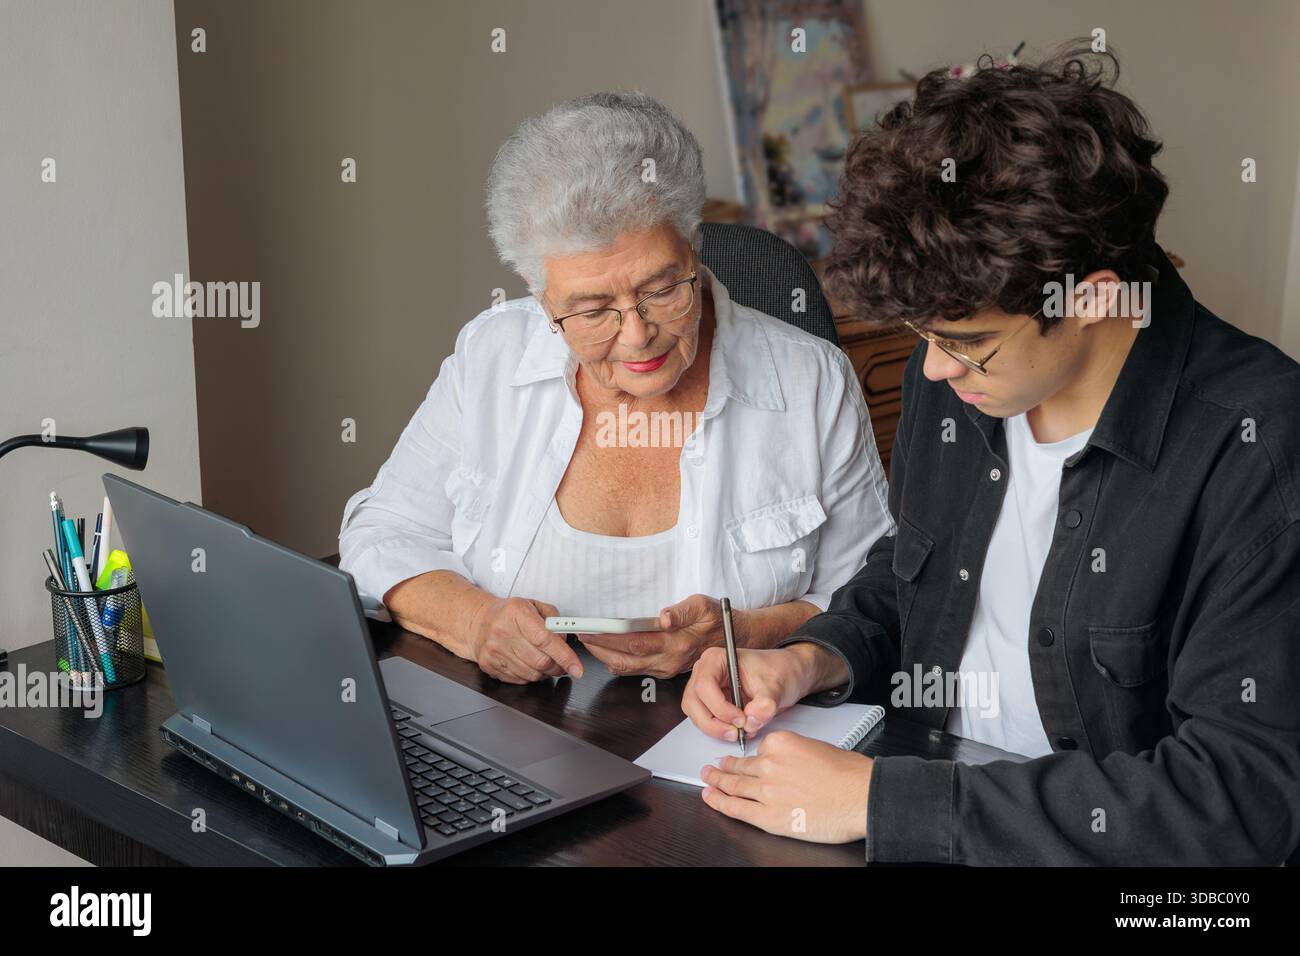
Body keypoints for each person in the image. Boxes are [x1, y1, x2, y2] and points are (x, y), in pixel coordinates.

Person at [682, 44, 1300, 864]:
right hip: (922, 800)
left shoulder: (1257, 447)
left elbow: (1239, 800)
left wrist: (883, 802)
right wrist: (812, 659)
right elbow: (910, 573)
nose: (934, 368)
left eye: (966, 343)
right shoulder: (965, 379)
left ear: (1095, 297)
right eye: (924, 338)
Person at [339, 92, 893, 685]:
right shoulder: (492, 355)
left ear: (692, 245)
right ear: (537, 291)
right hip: (522, 733)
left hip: (731, 736)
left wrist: (741, 633)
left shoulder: (811, 379)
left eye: (660, 290)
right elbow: (382, 535)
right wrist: (476, 623)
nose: (636, 338)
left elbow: (873, 599)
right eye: (592, 309)